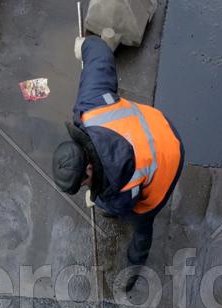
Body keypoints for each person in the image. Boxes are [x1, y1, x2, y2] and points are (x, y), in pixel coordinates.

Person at [52, 35, 184, 285]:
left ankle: (135, 267)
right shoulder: (89, 108)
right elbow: (100, 55)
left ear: (88, 168)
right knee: (113, 205)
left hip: (168, 154)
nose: (82, 188)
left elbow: (120, 206)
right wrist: (85, 46)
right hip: (154, 122)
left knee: (142, 219)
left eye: (82, 184)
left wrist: (101, 199)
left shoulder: (118, 187)